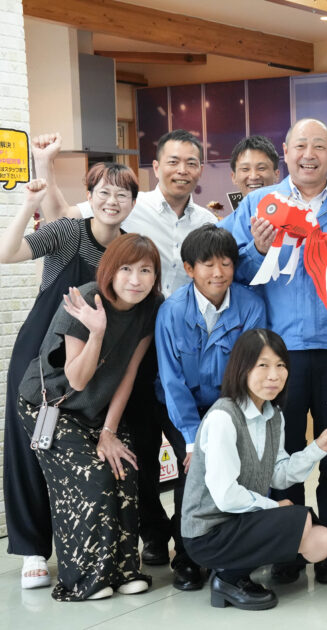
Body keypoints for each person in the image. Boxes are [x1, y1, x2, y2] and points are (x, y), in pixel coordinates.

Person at [33, 129, 219, 567]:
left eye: (191, 162)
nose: (182, 170)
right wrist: (44, 168)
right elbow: (65, 216)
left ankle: (189, 535)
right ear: (158, 166)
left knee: (190, 440)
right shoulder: (130, 208)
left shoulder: (206, 223)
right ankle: (153, 534)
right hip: (136, 340)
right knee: (143, 443)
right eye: (173, 161)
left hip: (188, 350)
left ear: (199, 170)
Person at [221, 118, 327, 584]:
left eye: (319, 146)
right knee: (283, 452)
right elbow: (228, 269)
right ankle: (291, 545)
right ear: (286, 149)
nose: (309, 154)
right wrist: (258, 251)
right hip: (279, 353)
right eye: (300, 144)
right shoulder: (262, 203)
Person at [1, 161, 137, 590]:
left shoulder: (129, 249)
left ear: (133, 203)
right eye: (104, 192)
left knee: (79, 454)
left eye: (123, 195)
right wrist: (27, 205)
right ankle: (31, 549)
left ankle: (90, 548)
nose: (112, 202)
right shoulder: (68, 231)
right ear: (90, 195)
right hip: (40, 356)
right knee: (30, 447)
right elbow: (7, 253)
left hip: (93, 363)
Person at [17, 233, 164, 601]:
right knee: (95, 480)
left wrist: (110, 431)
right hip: (51, 406)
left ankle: (125, 569)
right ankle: (87, 576)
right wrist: (96, 331)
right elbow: (77, 377)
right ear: (110, 270)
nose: (135, 279)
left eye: (145, 270)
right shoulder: (84, 299)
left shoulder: (151, 306)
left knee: (124, 469)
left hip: (98, 410)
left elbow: (128, 373)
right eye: (127, 269)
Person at [181, 328, 327, 610]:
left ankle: (241, 568)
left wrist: (319, 446)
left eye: (281, 365)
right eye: (263, 365)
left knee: (323, 541)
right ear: (241, 368)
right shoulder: (224, 416)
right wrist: (273, 507)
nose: (274, 375)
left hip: (241, 523)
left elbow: (279, 473)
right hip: (208, 533)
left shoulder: (273, 415)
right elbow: (225, 496)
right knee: (300, 520)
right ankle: (228, 579)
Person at [154, 225, 267, 590]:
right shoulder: (171, 312)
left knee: (238, 473)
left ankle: (232, 557)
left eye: (226, 263)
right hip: (183, 411)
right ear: (189, 268)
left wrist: (227, 425)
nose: (218, 273)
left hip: (232, 405)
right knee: (193, 477)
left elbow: (251, 371)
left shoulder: (250, 305)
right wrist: (191, 439)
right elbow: (172, 382)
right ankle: (186, 558)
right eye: (207, 264)